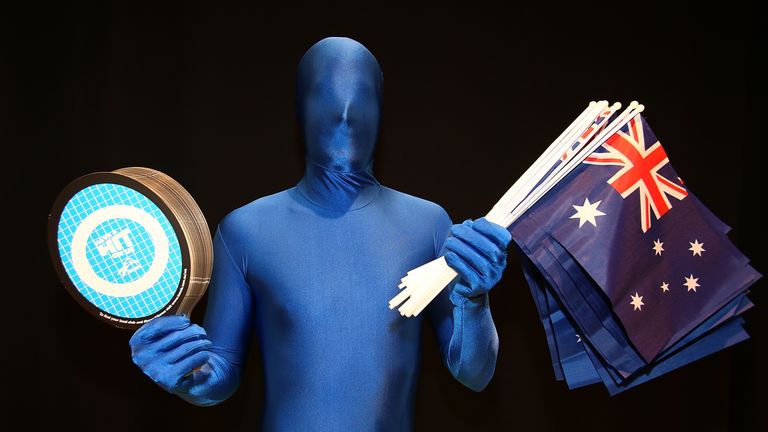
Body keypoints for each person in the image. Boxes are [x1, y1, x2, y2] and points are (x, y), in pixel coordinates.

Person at [129, 36, 512, 431]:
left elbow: (473, 374)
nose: (344, 113)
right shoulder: (244, 230)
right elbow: (221, 372)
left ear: (381, 111)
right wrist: (185, 373)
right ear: (300, 109)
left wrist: (474, 300)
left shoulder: (428, 223)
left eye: (362, 97)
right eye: (323, 96)